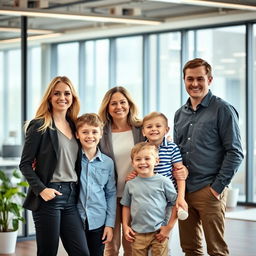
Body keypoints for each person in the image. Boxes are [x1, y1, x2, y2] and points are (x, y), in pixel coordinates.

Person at [174, 58, 244, 256]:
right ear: (184, 80)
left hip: (209, 191)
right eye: (190, 79)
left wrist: (216, 188)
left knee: (217, 250)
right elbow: (177, 152)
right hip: (184, 193)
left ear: (210, 80)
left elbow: (235, 152)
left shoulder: (223, 109)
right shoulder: (180, 114)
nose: (194, 84)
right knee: (190, 248)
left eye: (200, 79)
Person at [19, 76, 90, 256]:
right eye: (56, 93)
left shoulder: (75, 125)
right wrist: (42, 190)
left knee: (81, 252)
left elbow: (94, 140)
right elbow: (25, 164)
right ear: (49, 97)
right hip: (49, 196)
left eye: (67, 93)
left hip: (72, 196)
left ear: (73, 97)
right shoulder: (39, 125)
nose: (62, 97)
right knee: (48, 252)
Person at [98, 86, 145, 256]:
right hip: (108, 196)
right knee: (110, 245)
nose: (119, 107)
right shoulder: (101, 132)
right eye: (113, 103)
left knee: (133, 244)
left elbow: (156, 151)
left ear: (129, 104)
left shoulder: (141, 129)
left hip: (135, 196)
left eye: (123, 102)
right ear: (107, 107)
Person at [121, 142, 177, 256]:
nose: (142, 162)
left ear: (156, 161)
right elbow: (126, 206)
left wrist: (168, 227)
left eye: (147, 158)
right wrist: (126, 226)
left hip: (159, 232)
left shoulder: (164, 182)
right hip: (137, 233)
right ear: (133, 163)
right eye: (138, 159)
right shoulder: (130, 184)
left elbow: (176, 204)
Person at [75, 113, 116, 256]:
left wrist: (109, 224)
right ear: (77, 134)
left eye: (94, 132)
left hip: (98, 221)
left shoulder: (108, 163)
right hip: (75, 220)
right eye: (85, 132)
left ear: (101, 134)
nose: (90, 136)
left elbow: (110, 194)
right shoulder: (72, 159)